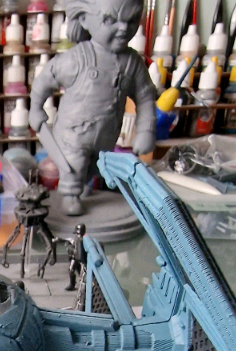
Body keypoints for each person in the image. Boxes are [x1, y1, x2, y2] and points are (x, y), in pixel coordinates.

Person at [29, 0, 156, 216]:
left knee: (95, 166)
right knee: (74, 165)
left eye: (131, 20)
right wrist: (35, 107)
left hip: (107, 135)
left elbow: (145, 97)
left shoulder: (133, 63)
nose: (123, 28)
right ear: (84, 19)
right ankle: (70, 195)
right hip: (73, 133)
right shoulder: (77, 58)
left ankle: (83, 186)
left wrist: (146, 131)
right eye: (111, 20)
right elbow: (44, 80)